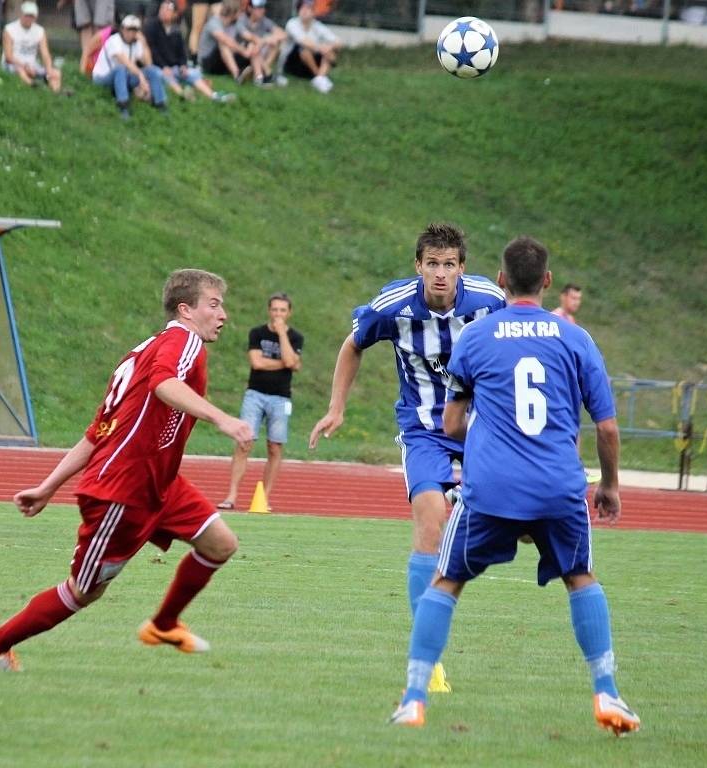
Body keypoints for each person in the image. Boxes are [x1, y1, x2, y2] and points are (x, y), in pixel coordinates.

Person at [388, 236, 640, 736]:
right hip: (559, 486)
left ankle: (414, 699)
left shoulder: (477, 339)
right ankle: (607, 692)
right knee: (581, 578)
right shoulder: (576, 339)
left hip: (492, 487)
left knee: (446, 581)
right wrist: (609, 485)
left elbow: (453, 422)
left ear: (500, 281)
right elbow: (607, 428)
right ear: (547, 281)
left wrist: (485, 433)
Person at [0, 269, 254, 672]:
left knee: (220, 544)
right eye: (214, 304)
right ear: (186, 310)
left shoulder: (141, 352)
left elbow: (98, 432)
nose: (223, 314)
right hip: (123, 491)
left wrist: (48, 486)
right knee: (83, 592)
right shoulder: (183, 340)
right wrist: (222, 420)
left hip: (160, 483)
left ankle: (164, 624)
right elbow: (163, 383)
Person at [309, 223, 505, 693]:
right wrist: (337, 407)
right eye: (432, 264)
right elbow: (352, 345)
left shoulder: (489, 301)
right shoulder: (392, 306)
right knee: (430, 520)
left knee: (502, 525)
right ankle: (428, 656)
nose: (441, 274)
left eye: (449, 264)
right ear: (418, 266)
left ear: (462, 267)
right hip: (422, 430)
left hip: (479, 426)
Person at [218, 292, 303, 511]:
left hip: (281, 397)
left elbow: (293, 362)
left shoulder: (295, 337)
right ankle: (231, 496)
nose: (278, 314)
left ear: (289, 312)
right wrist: (285, 362)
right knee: (244, 442)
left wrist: (283, 335)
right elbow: (257, 363)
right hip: (255, 394)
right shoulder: (257, 333)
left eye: (282, 310)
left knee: (275, 447)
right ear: (269, 310)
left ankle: (264, 498)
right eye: (274, 309)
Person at [144, 0, 235, 103]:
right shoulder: (151, 27)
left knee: (193, 73)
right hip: (159, 67)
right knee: (164, 75)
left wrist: (183, 65)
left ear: (174, 14)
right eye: (162, 9)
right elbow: (152, 51)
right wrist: (163, 66)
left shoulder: (176, 29)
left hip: (176, 67)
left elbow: (182, 51)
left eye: (167, 10)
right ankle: (182, 94)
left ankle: (214, 96)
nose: (163, 12)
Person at [92, 14, 167, 120]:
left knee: (153, 71)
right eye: (129, 29)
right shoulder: (114, 40)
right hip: (102, 78)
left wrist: (144, 43)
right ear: (122, 29)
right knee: (121, 68)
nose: (131, 33)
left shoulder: (136, 43)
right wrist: (141, 77)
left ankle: (160, 105)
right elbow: (124, 61)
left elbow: (148, 63)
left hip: (124, 77)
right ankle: (124, 107)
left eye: (135, 30)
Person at [280, 0, 342, 93]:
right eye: (302, 8)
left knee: (330, 51)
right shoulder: (292, 23)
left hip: (309, 63)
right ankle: (319, 77)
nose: (304, 11)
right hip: (292, 64)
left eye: (308, 8)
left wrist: (329, 47)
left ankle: (320, 78)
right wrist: (321, 48)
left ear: (313, 12)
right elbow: (303, 41)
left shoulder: (318, 26)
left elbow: (338, 42)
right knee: (304, 48)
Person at [197, 0, 264, 85]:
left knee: (251, 44)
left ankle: (259, 78)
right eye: (240, 11)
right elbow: (226, 40)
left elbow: (251, 37)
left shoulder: (236, 23)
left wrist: (256, 45)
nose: (241, 14)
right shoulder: (214, 22)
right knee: (223, 43)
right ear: (234, 12)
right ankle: (237, 75)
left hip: (224, 61)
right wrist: (244, 51)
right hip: (208, 63)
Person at [2, 2, 62, 93]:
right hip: (14, 63)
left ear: (35, 17)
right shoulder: (9, 29)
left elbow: (45, 53)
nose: (29, 18)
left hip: (32, 64)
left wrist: (49, 68)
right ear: (21, 14)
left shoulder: (40, 31)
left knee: (56, 72)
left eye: (31, 16)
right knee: (20, 70)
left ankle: (56, 91)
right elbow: (8, 56)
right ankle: (34, 86)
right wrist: (25, 66)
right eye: (27, 15)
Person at [236, 0, 287, 87]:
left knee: (275, 44)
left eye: (263, 7)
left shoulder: (264, 21)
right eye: (258, 8)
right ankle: (265, 75)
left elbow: (283, 34)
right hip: (241, 55)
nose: (262, 10)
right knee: (253, 45)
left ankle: (261, 74)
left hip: (257, 57)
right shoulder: (242, 19)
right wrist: (266, 40)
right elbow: (249, 37)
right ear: (250, 8)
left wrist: (267, 39)